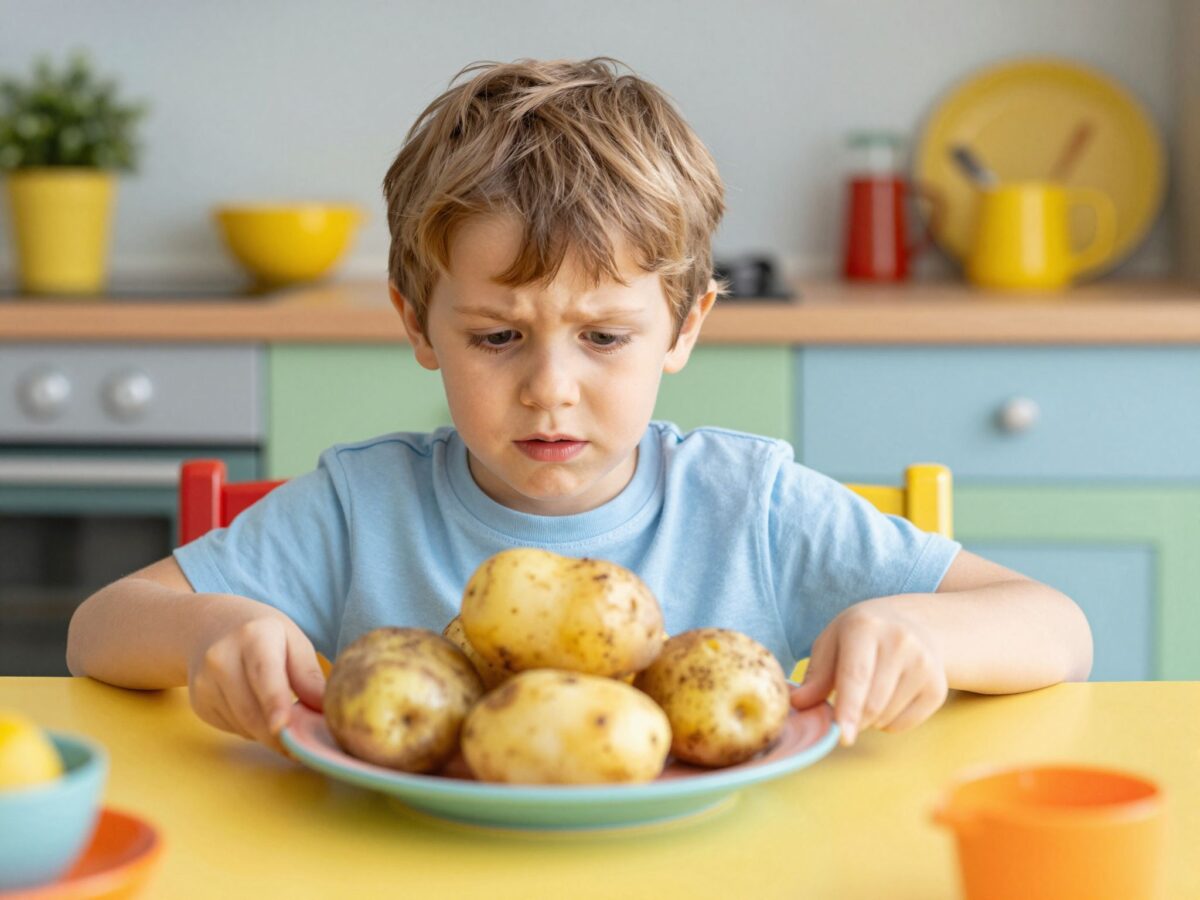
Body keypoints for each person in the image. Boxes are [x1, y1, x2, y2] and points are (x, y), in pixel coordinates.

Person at [67, 57, 1092, 755]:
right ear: (417, 323)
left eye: (604, 337)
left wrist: (915, 628)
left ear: (685, 327)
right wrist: (210, 629)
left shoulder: (753, 503)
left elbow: (1057, 627)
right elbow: (98, 629)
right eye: (497, 336)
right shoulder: (356, 505)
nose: (551, 386)